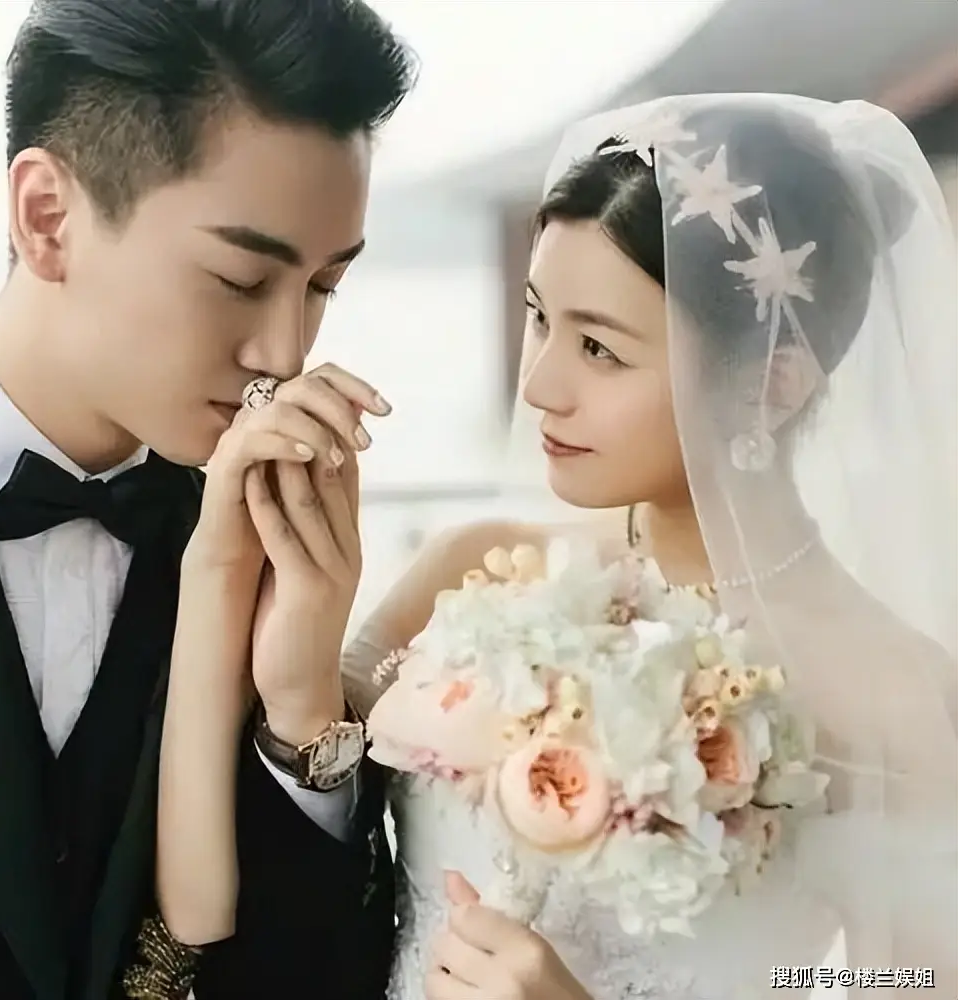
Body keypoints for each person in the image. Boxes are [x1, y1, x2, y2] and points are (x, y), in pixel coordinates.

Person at [169, 95, 958, 998]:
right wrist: (257, 622)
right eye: (540, 318)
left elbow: (901, 983)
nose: (541, 384)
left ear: (772, 383)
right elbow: (247, 896)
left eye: (599, 349)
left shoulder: (895, 692)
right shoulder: (473, 569)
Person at [0, 1, 416, 998]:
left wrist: (300, 714)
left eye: (323, 286)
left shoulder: (256, 549)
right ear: (47, 217)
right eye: (242, 279)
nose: (285, 354)